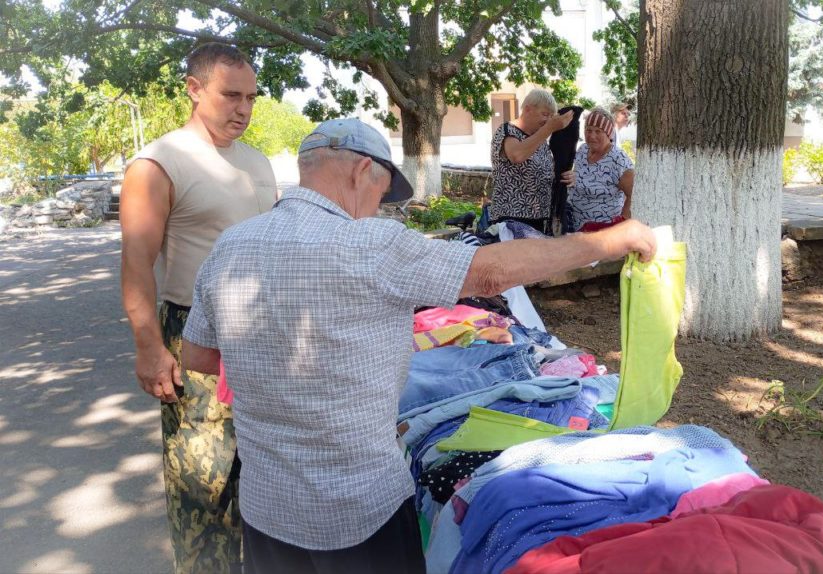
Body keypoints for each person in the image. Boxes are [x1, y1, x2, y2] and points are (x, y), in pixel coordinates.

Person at [179, 118, 656, 573]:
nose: (377, 208)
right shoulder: (372, 244)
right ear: (364, 169)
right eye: (382, 194)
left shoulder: (232, 245)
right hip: (359, 510)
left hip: (267, 511)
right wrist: (608, 242)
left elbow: (198, 355)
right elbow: (490, 270)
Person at [120, 42, 276, 573]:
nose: (244, 108)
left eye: (251, 97)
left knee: (261, 476)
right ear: (193, 88)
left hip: (261, 337)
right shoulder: (158, 162)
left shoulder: (255, 162)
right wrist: (149, 347)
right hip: (195, 334)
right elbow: (137, 262)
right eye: (231, 95)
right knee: (203, 483)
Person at [490, 88, 574, 232]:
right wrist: (548, 129)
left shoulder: (539, 139)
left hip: (540, 218)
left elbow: (546, 171)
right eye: (544, 114)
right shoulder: (507, 131)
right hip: (512, 219)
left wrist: (569, 177)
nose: (547, 120)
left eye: (551, 116)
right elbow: (517, 155)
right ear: (528, 109)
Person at [564, 108, 635, 231]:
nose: (592, 136)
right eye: (589, 130)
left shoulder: (618, 160)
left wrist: (621, 227)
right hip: (574, 228)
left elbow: (633, 194)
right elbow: (580, 178)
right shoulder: (583, 150)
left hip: (603, 233)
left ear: (608, 133)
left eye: (598, 131)